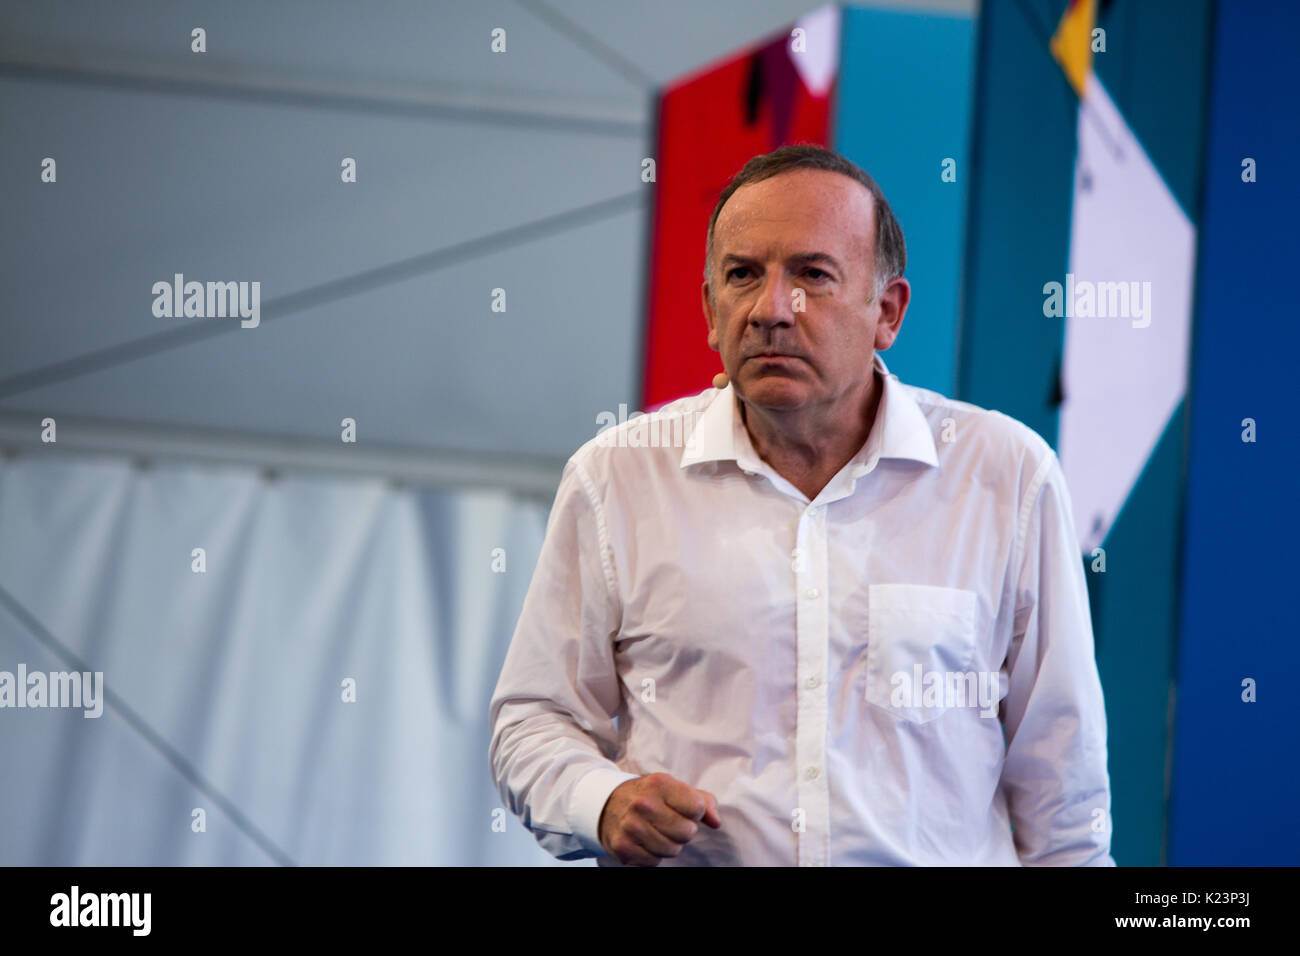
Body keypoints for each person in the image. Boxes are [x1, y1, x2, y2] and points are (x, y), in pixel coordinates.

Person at [488, 144, 1114, 866]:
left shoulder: (1004, 476)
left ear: (888, 311)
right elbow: (533, 720)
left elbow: (1061, 783)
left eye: (812, 276)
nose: (771, 310)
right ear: (710, 311)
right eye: (742, 275)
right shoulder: (617, 478)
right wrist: (602, 801)